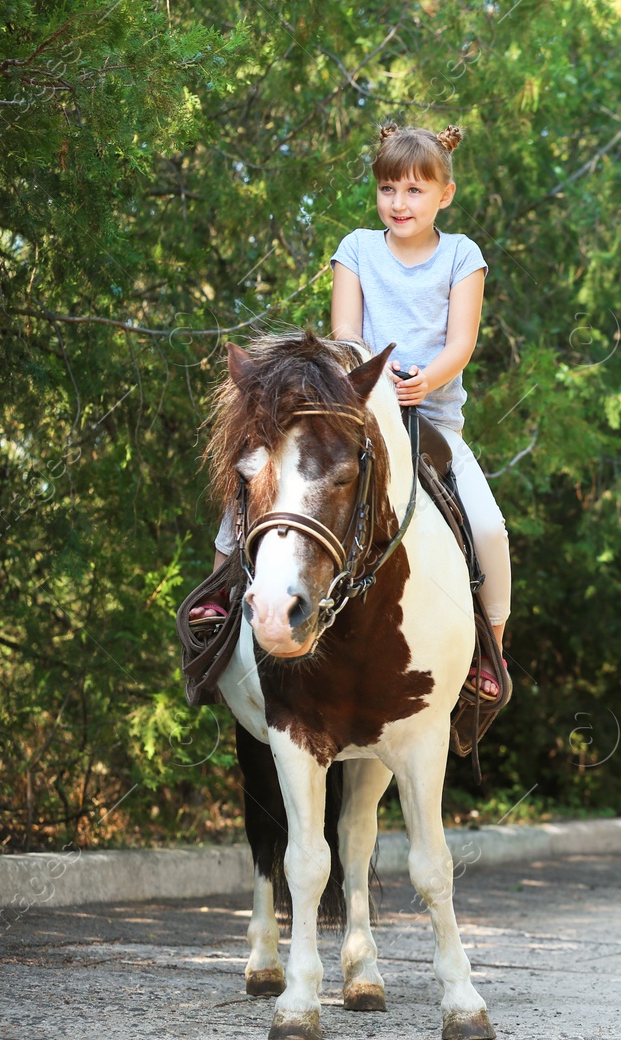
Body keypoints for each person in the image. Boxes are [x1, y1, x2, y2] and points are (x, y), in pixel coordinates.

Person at [192, 122, 510, 698]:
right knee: (263, 478)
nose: (399, 202)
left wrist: (423, 381)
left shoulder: (463, 255)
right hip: (353, 409)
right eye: (388, 188)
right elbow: (344, 334)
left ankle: (487, 651)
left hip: (431, 422)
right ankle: (220, 594)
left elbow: (461, 344)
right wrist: (373, 381)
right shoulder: (357, 249)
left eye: (415, 190)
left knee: (488, 526)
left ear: (446, 194)